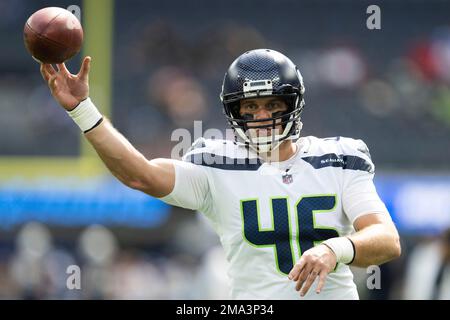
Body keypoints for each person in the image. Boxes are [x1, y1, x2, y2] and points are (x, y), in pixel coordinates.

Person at [39, 48, 401, 299]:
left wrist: (335, 249)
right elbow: (140, 175)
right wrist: (83, 111)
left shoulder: (338, 157)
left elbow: (386, 239)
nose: (263, 116)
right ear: (234, 112)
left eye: (273, 104)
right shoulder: (217, 164)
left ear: (293, 105)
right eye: (251, 106)